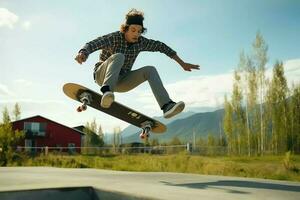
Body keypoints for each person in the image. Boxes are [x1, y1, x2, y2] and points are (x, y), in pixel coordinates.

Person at [75, 9, 200, 119]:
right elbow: (93, 43)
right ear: (126, 29)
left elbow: (162, 47)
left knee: (150, 70)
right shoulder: (114, 38)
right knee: (119, 56)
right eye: (133, 30)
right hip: (102, 76)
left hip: (122, 80)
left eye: (139, 31)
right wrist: (83, 53)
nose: (136, 34)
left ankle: (166, 106)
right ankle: (107, 91)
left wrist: (182, 63)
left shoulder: (141, 42)